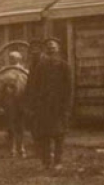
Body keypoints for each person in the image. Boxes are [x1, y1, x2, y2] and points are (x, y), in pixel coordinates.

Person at [27, 38, 73, 170]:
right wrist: (33, 105)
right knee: (44, 135)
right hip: (43, 106)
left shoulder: (64, 66)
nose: (51, 50)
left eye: (53, 48)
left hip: (59, 106)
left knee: (59, 135)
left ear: (58, 49)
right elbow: (34, 86)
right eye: (48, 48)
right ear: (46, 51)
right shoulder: (41, 67)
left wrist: (67, 108)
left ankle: (58, 162)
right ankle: (46, 162)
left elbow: (69, 89)